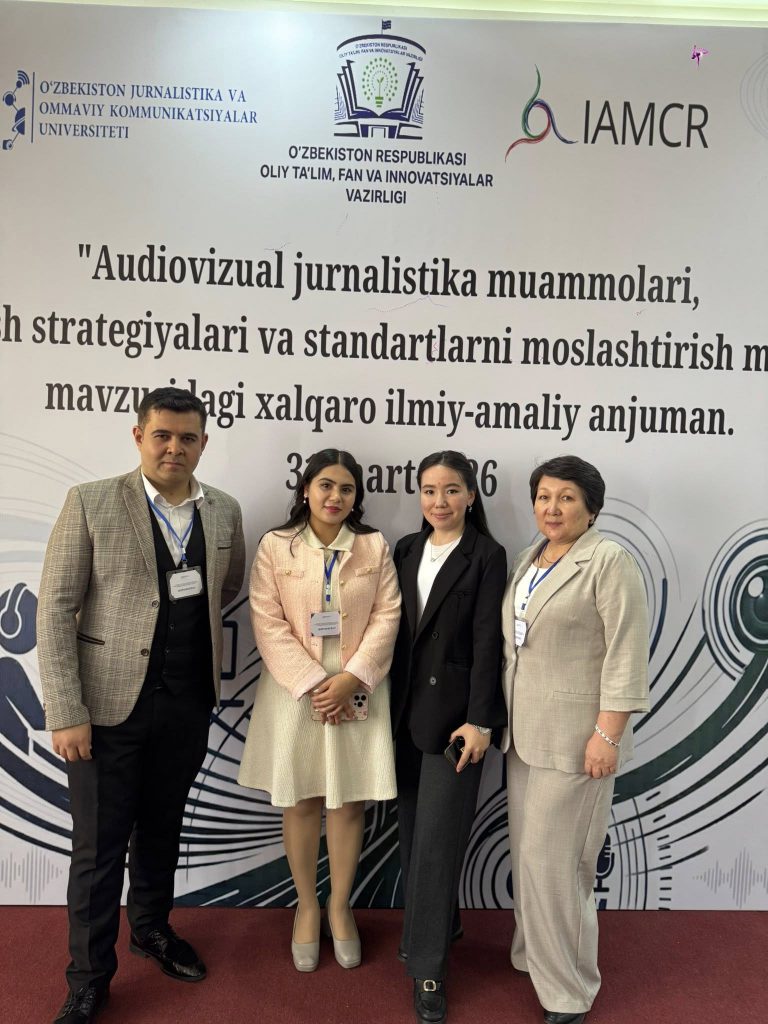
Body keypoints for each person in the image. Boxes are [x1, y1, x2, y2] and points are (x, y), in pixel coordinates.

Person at [37, 387, 245, 1024]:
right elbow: (55, 609)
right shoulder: (91, 501)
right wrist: (65, 710)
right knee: (98, 850)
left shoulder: (224, 510)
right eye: (162, 435)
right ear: (138, 436)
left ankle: (151, 929)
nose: (174, 447)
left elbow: (225, 587)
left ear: (203, 444)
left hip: (187, 704)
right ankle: (88, 980)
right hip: (103, 710)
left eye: (187, 437)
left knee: (162, 829)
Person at [238, 449, 400, 972]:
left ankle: (340, 906)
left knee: (349, 802)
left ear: (357, 498)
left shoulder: (374, 546)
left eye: (346, 489)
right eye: (326, 485)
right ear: (305, 489)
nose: (335, 496)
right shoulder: (275, 545)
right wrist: (313, 683)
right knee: (303, 799)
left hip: (358, 687)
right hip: (295, 691)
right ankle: (307, 907)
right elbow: (266, 621)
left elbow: (388, 615)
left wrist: (351, 678)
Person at [501, 455, 649, 1024]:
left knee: (557, 867)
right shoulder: (529, 557)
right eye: (543, 496)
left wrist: (607, 734)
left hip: (578, 742)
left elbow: (626, 654)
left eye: (565, 497)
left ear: (591, 508)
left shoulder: (608, 560)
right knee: (528, 859)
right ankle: (534, 955)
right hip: (524, 736)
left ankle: (568, 991)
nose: (552, 508)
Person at [390, 450, 507, 1024]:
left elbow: (489, 644)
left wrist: (481, 721)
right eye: (430, 490)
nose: (439, 501)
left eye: (452, 490)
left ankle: (428, 968)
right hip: (403, 718)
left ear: (471, 496)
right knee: (415, 839)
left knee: (436, 845)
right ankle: (443, 924)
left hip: (457, 724)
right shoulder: (405, 549)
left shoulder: (487, 554)